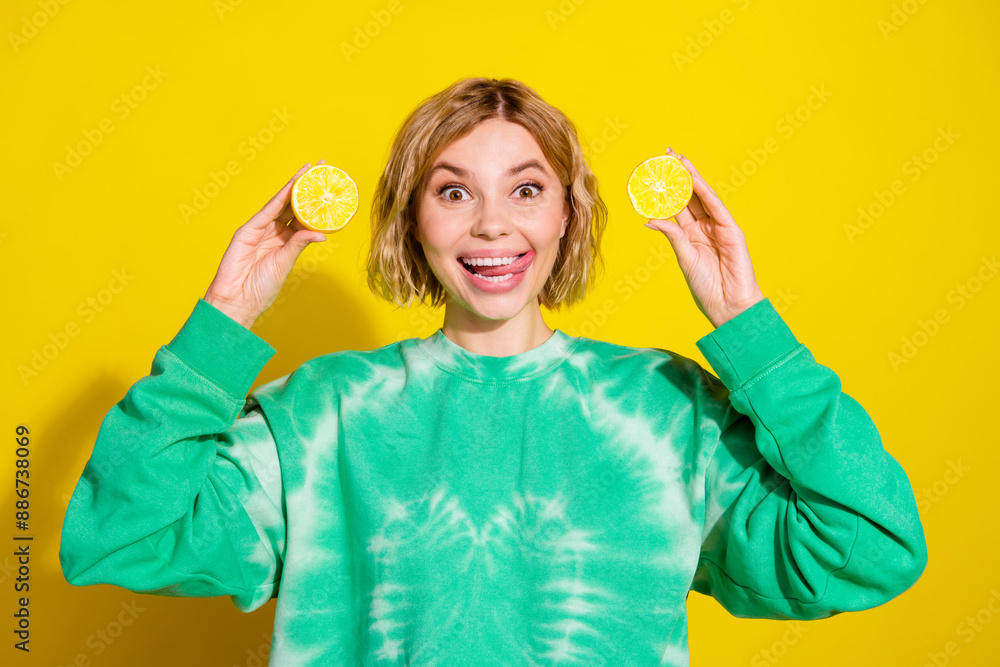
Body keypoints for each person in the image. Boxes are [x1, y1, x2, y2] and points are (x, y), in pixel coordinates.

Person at [59, 77, 928, 666]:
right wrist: (225, 321)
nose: (489, 226)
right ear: (413, 220)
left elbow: (870, 547)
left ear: (568, 214)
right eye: (451, 191)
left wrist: (750, 330)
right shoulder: (324, 411)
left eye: (525, 189)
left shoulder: (667, 412)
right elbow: (121, 534)